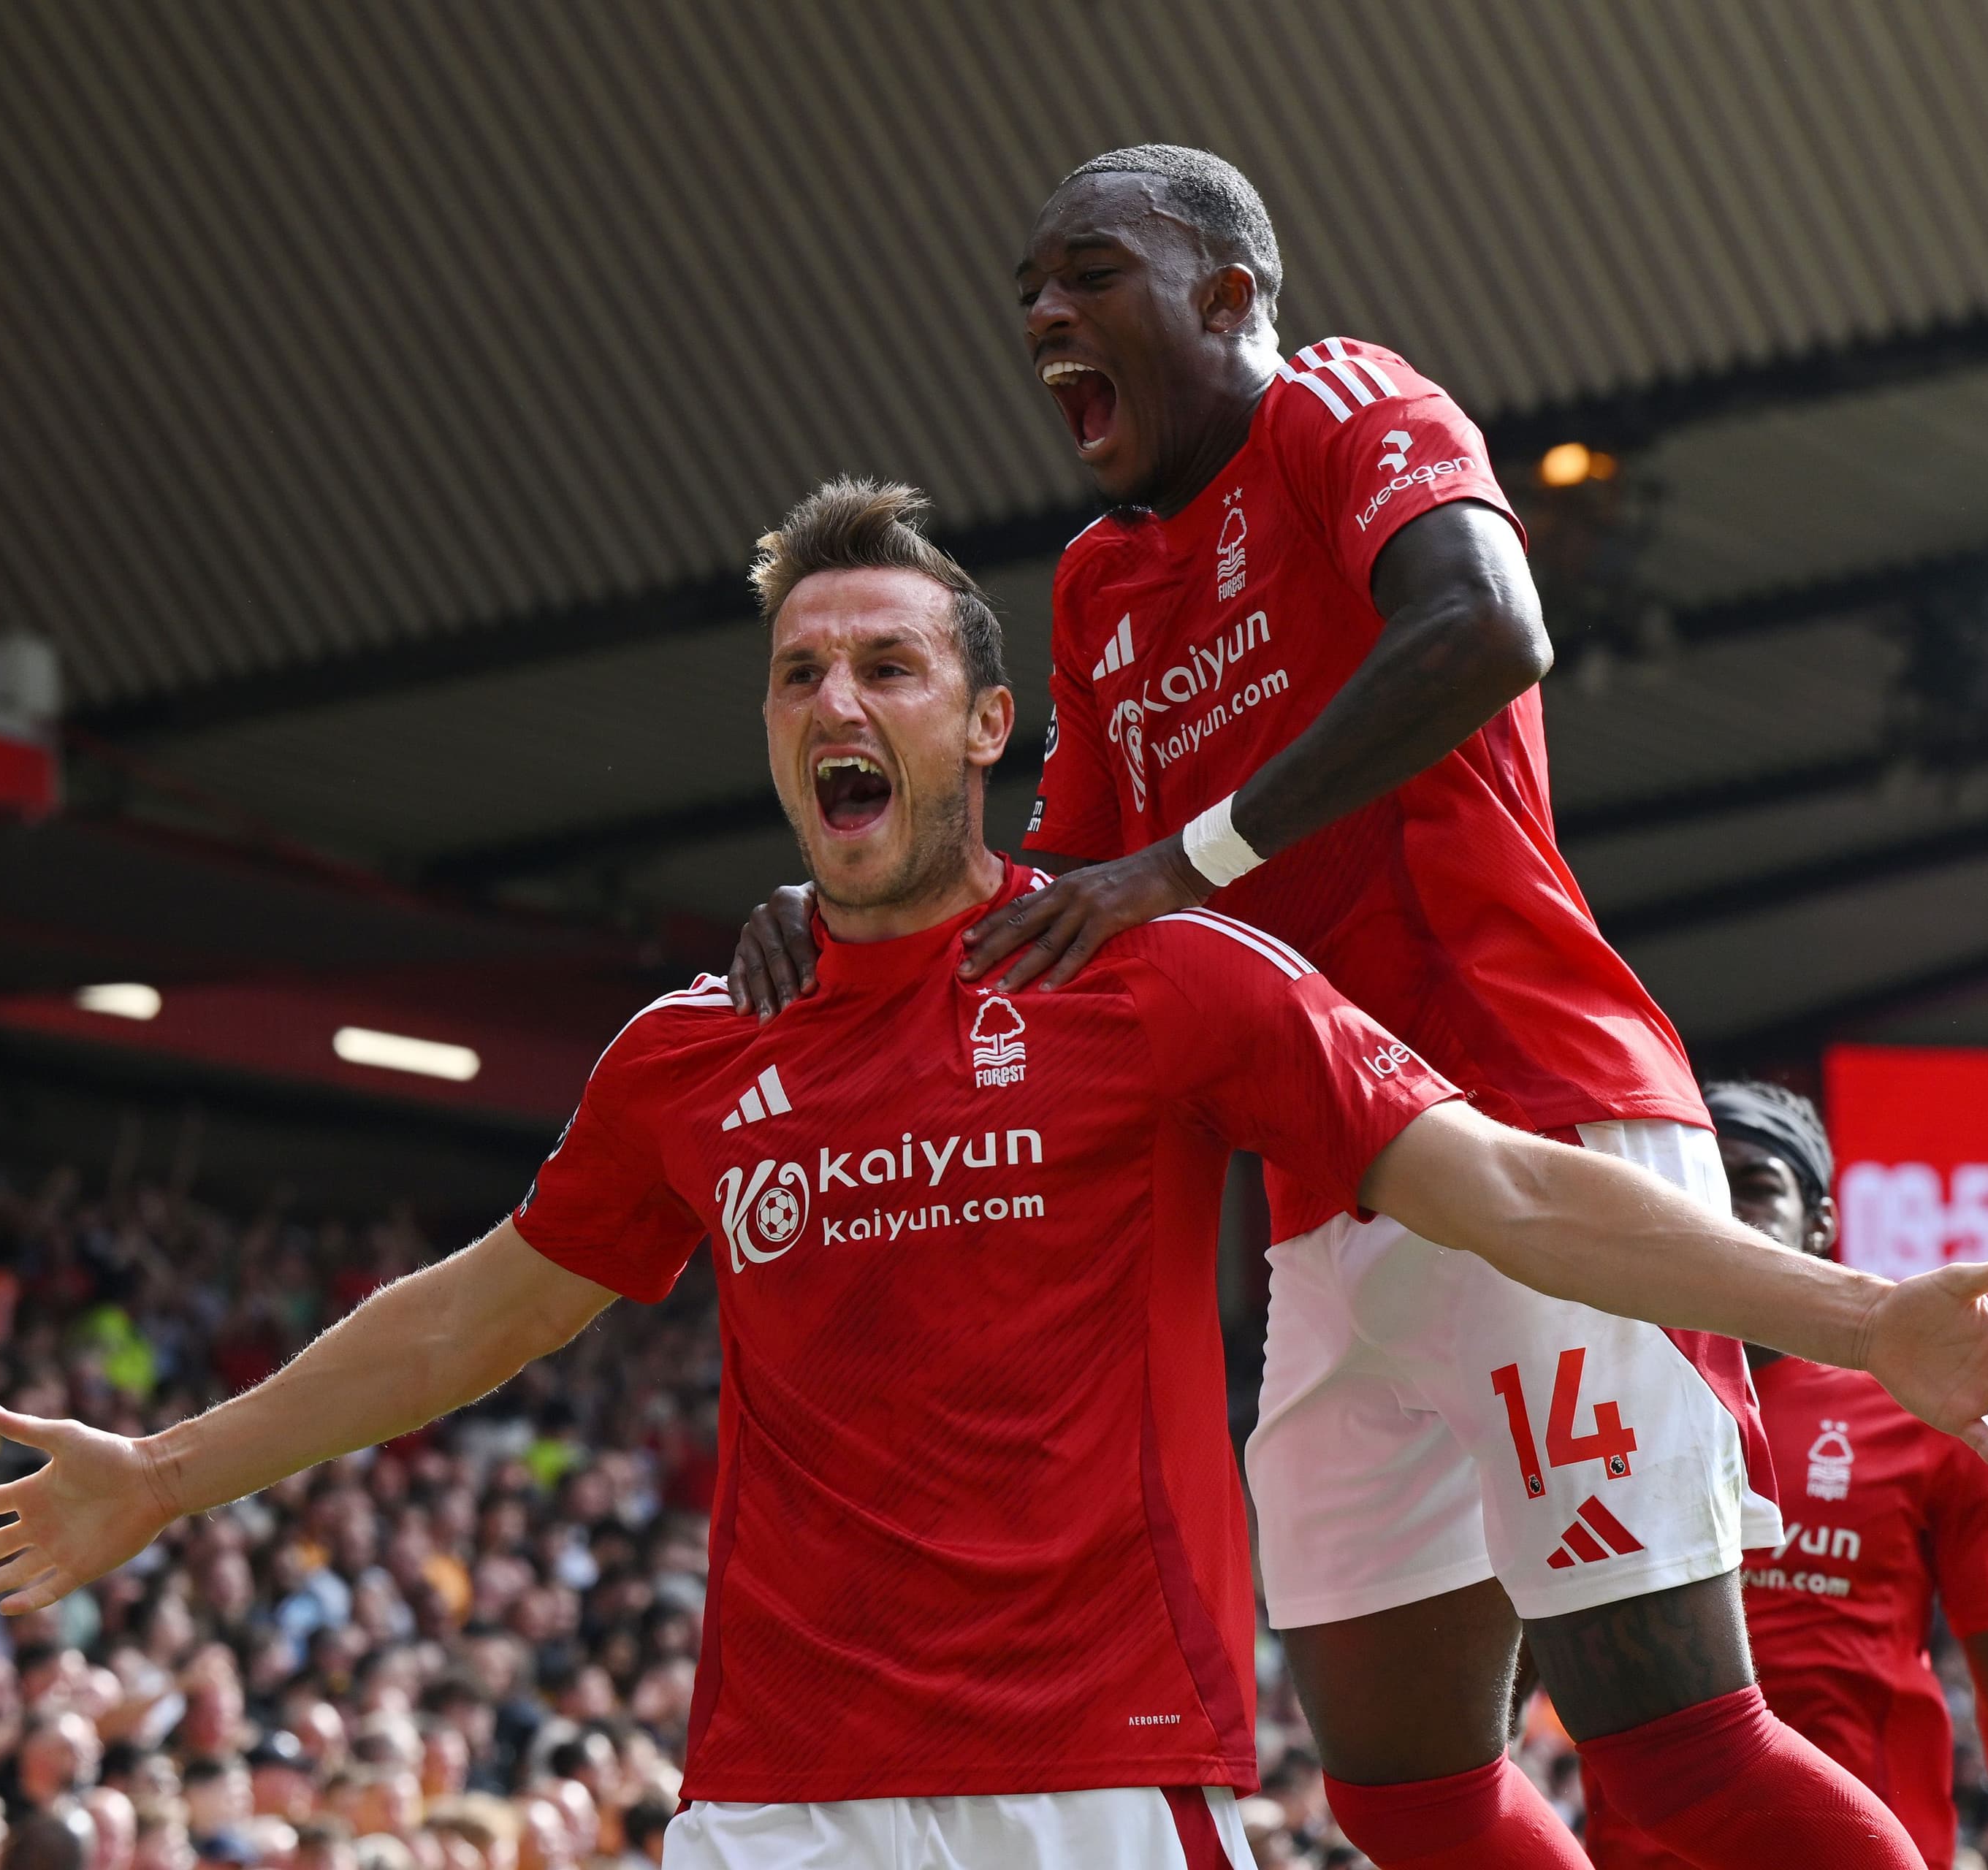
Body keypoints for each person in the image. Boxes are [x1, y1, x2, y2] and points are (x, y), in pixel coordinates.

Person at [0, 480, 1988, 1870]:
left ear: (986, 727)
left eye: (885, 661)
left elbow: (1507, 1191)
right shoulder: (694, 1054)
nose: (833, 696)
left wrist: (1855, 1320)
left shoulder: (1153, 981)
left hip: (1092, 1783)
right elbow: (469, 1312)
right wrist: (167, 1472)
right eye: (798, 672)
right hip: (766, 1803)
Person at [724, 145, 1858, 1870]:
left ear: (1228, 293)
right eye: (1026, 285)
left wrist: (1194, 858)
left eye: (1088, 272)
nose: (1041, 312)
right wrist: (847, 907)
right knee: (1402, 1794)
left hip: (1528, 1118)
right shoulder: (1105, 580)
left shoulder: (1347, 401)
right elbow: (1066, 897)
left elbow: (1484, 624)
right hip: (1328, 1195)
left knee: (1676, 1754)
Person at [1579, 1084, 1988, 1870]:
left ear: (1820, 1223)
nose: (1727, 1208)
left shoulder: (1921, 1405)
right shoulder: (1596, 1404)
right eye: (1702, 1182)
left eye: (1758, 1186)